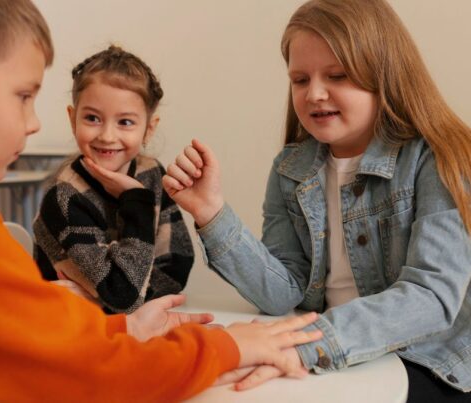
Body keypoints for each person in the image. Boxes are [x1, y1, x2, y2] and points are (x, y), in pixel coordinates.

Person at [0, 0, 323, 401]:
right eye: (23, 96)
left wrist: (120, 328)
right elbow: (81, 366)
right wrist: (230, 346)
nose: (31, 124)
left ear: (148, 127)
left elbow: (34, 331)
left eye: (126, 122)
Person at [163, 0, 471, 401]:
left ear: (386, 75)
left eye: (337, 75)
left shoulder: (439, 158)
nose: (315, 93)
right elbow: (283, 292)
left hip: (430, 360)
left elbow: (430, 298)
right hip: (327, 352)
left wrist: (302, 345)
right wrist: (211, 213)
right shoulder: (291, 169)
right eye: (300, 79)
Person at [33, 46, 194, 314]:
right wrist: (138, 203)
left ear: (148, 129)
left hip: (121, 324)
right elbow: (122, 294)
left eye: (125, 122)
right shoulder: (64, 197)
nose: (107, 135)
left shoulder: (151, 172)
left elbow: (177, 264)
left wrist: (108, 298)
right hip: (68, 328)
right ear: (73, 119)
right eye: (92, 118)